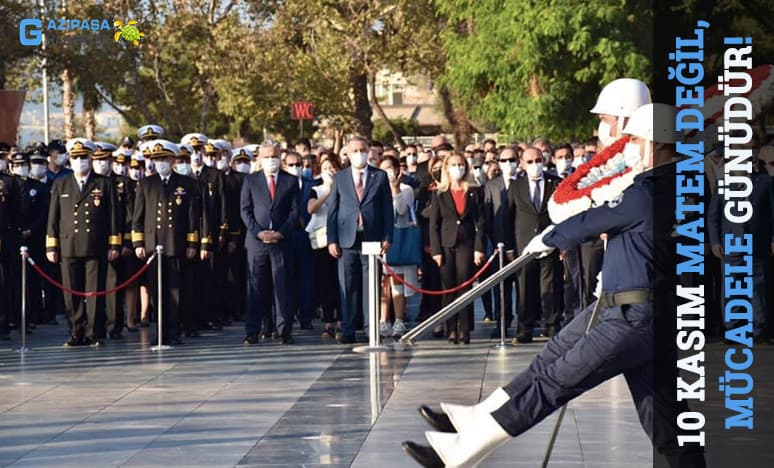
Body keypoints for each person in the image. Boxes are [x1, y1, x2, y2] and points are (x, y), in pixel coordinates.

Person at [404, 103, 706, 468]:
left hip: (629, 317)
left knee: (555, 381)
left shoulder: (646, 191)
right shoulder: (688, 184)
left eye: (635, 139)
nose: (628, 146)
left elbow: (594, 219)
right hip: (642, 312)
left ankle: (459, 453)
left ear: (656, 143)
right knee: (667, 422)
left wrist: (552, 238)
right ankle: (476, 421)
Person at [46, 138, 121, 347]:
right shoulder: (61, 183)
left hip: (95, 245)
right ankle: (75, 331)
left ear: (90, 158)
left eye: (84, 157)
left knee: (94, 292)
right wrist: (52, 245)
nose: (80, 161)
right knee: (71, 292)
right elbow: (53, 216)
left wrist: (114, 244)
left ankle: (93, 332)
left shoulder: (103, 183)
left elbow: (114, 215)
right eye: (76, 157)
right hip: (69, 244)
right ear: (70, 160)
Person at [132, 139, 206, 346]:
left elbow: (192, 216)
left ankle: (174, 330)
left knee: (175, 289)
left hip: (176, 243)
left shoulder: (186, 183)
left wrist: (192, 243)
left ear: (172, 159)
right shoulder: (146, 184)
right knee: (157, 290)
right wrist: (139, 243)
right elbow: (138, 217)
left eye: (164, 158)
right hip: (153, 245)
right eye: (157, 159)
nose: (160, 162)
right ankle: (161, 330)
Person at [326, 136, 393, 344]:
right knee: (347, 285)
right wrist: (332, 239)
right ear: (347, 153)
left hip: (372, 239)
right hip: (347, 239)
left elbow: (387, 210)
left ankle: (369, 327)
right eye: (355, 151)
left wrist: (387, 236)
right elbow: (332, 211)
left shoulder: (379, 176)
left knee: (370, 284)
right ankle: (348, 328)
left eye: (362, 150)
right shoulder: (340, 178)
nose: (359, 154)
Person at [240, 141, 300, 345]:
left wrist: (281, 233)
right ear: (259, 159)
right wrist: (259, 233)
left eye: (274, 156)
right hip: (257, 242)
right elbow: (245, 210)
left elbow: (295, 211)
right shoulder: (251, 180)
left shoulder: (290, 181)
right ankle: (253, 330)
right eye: (266, 156)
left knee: (283, 286)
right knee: (256, 286)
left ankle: (284, 330)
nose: (270, 160)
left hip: (282, 241)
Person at [429, 152, 486, 344]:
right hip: (446, 244)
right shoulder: (439, 193)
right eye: (453, 165)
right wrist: (436, 250)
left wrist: (479, 248)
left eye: (461, 164)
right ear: (446, 168)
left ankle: (466, 328)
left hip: (467, 244)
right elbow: (434, 224)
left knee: (465, 286)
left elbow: (480, 221)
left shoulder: (474, 190)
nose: (457, 168)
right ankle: (451, 328)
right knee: (448, 287)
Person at [509, 147, 563, 342]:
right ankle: (525, 329)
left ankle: (552, 326)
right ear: (522, 164)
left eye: (538, 160)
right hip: (524, 245)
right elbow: (508, 216)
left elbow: (563, 213)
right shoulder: (516, 186)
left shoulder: (556, 182)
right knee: (525, 289)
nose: (535, 165)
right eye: (530, 161)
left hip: (550, 242)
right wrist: (508, 247)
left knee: (550, 286)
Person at [483, 147, 519, 338]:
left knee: (523, 286)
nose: (508, 164)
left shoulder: (523, 182)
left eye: (512, 160)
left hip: (522, 243)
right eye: (504, 160)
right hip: (499, 245)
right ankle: (502, 321)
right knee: (501, 287)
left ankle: (524, 321)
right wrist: (496, 244)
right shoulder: (492, 185)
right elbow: (489, 219)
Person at [379, 155, 416, 340]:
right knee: (383, 283)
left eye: (390, 168)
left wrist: (395, 189)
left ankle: (399, 320)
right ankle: (383, 320)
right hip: (379, 240)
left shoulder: (406, 189)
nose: (387, 172)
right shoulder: (376, 188)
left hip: (398, 239)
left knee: (397, 281)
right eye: (383, 168)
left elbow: (401, 209)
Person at [307, 156, 342, 340]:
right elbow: (311, 209)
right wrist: (328, 192)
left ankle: (342, 321)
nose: (330, 171)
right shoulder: (316, 189)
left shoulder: (345, 187)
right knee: (325, 282)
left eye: (333, 167)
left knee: (341, 282)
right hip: (321, 241)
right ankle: (328, 321)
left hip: (342, 238)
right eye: (326, 167)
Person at [284, 151, 319, 330]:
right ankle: (287, 317)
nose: (296, 168)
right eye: (291, 165)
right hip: (286, 235)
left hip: (305, 235)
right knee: (287, 279)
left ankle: (306, 317)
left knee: (306, 278)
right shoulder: (281, 185)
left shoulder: (311, 185)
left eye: (299, 164)